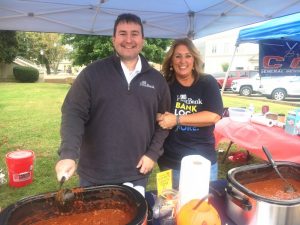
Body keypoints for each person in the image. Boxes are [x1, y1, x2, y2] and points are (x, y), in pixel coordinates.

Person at [55, 13, 171, 189]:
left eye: (134, 33)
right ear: (113, 39)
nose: (129, 39)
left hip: (137, 171)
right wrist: (68, 154)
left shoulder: (157, 80)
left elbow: (164, 122)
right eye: (122, 33)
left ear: (143, 39)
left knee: (135, 217)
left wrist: (153, 154)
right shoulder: (92, 74)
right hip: (94, 174)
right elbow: (73, 113)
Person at [157, 38, 223, 188]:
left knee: (201, 208)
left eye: (188, 56)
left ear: (194, 59)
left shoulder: (207, 82)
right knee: (169, 207)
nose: (183, 61)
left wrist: (176, 119)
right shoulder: (164, 85)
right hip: (170, 162)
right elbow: (154, 113)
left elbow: (213, 116)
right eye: (178, 56)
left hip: (203, 162)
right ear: (171, 61)